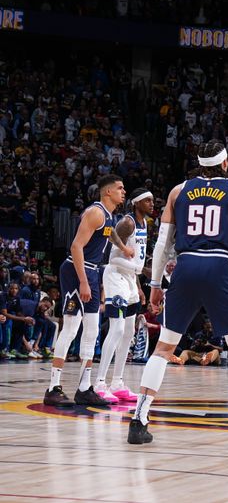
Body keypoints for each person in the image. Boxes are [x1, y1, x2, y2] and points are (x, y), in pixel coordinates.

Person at [127, 141, 228, 451]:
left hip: (186, 264)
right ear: (226, 163)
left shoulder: (178, 191)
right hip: (221, 266)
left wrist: (154, 285)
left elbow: (163, 244)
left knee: (164, 348)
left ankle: (138, 422)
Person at [44, 174, 132, 407]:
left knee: (92, 330)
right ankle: (53, 388)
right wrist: (83, 281)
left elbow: (109, 233)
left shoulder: (110, 216)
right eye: (120, 188)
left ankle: (84, 388)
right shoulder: (96, 213)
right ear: (107, 192)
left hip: (92, 272)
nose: (124, 191)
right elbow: (76, 246)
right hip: (76, 270)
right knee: (72, 327)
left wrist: (122, 247)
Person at [94, 188, 154, 403]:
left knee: (129, 331)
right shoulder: (128, 222)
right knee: (117, 328)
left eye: (152, 201)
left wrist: (137, 285)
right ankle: (99, 383)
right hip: (115, 277)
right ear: (136, 203)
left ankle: (117, 383)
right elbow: (111, 248)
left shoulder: (145, 223)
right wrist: (139, 269)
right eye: (147, 201)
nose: (152, 204)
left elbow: (135, 259)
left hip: (129, 280)